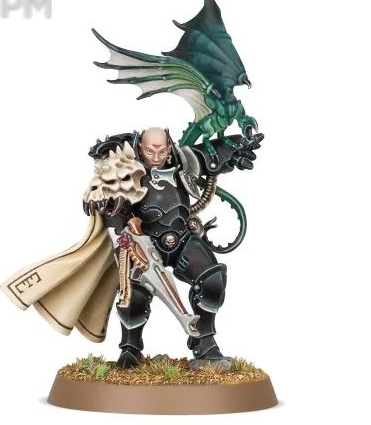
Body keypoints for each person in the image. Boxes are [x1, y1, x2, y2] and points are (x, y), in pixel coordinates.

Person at [84, 127, 263, 368]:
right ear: (140, 148)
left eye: (161, 151)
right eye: (150, 151)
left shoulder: (181, 162)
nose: (156, 157)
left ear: (169, 147)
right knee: (133, 296)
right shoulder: (125, 170)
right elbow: (108, 205)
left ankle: (205, 345)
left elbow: (209, 155)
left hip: (181, 240)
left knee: (212, 280)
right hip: (144, 243)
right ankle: (130, 349)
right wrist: (117, 221)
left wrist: (238, 144)